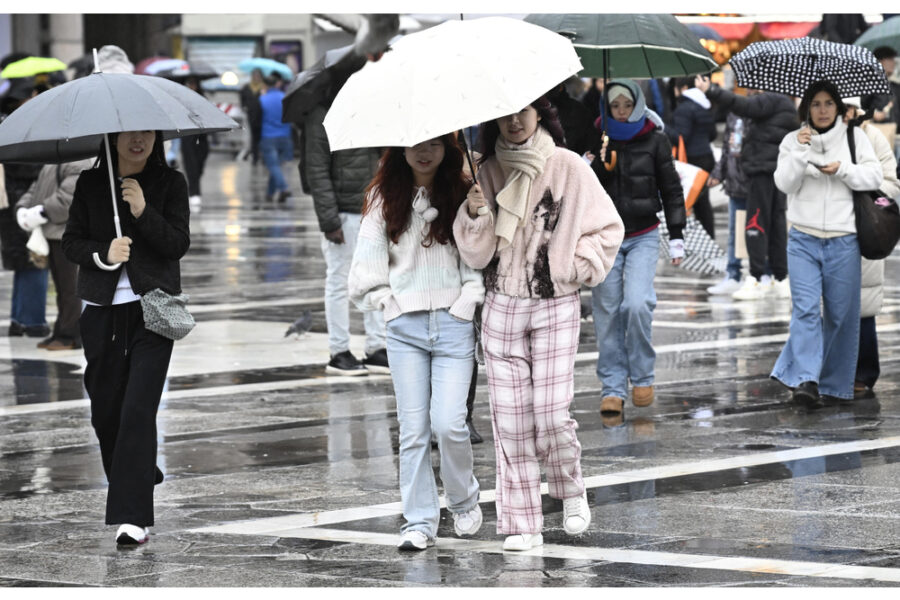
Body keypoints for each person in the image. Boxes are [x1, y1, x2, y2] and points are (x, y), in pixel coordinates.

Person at [454, 96, 624, 551]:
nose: (513, 120)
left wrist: (573, 265)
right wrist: (473, 213)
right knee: (509, 421)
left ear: (539, 115)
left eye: (522, 111)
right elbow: (474, 253)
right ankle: (522, 521)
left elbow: (608, 229)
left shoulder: (568, 166)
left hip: (555, 304)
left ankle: (571, 489)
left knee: (550, 414)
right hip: (501, 306)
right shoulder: (485, 171)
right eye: (505, 113)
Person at [349, 134, 484, 551]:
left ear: (447, 148)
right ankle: (418, 521)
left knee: (450, 423)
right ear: (399, 150)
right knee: (413, 430)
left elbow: (478, 258)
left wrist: (467, 299)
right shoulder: (382, 196)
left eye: (434, 144)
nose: (424, 152)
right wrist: (386, 303)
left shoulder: (464, 190)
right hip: (404, 327)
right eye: (414, 145)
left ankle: (463, 499)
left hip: (453, 323)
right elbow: (367, 261)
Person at [61, 130, 190, 545]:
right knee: (106, 413)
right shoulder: (89, 183)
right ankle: (137, 470)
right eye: (130, 134)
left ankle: (133, 517)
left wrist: (143, 210)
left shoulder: (171, 183)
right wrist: (105, 254)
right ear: (112, 138)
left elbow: (177, 244)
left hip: (153, 311)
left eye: (147, 133)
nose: (139, 140)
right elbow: (71, 243)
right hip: (101, 312)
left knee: (137, 410)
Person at [771, 80, 882, 407]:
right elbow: (784, 183)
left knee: (840, 315)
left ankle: (833, 385)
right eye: (815, 104)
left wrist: (843, 170)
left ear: (838, 107)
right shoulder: (793, 140)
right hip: (803, 239)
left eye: (828, 104)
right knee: (804, 311)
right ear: (806, 107)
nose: (821, 110)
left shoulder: (854, 137)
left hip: (843, 240)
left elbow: (874, 177)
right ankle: (806, 379)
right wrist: (801, 152)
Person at [588, 79, 684, 418]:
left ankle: (643, 376)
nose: (621, 111)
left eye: (626, 105)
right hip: (606, 236)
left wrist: (677, 235)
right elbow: (585, 190)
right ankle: (613, 387)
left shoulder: (656, 138)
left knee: (637, 303)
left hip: (644, 233)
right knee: (608, 311)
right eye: (614, 106)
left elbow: (671, 188)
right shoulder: (598, 136)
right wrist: (597, 163)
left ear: (638, 104)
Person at [304, 85, 387, 376]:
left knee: (377, 279)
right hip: (343, 213)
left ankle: (377, 347)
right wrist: (329, 220)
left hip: (374, 209)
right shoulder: (323, 115)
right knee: (340, 282)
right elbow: (316, 169)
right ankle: (339, 351)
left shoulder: (372, 108)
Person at [695, 76, 799, 300]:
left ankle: (756, 277)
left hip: (762, 171)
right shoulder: (786, 104)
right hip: (777, 172)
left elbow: (742, 105)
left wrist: (711, 90)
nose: (751, 89)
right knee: (777, 224)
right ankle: (779, 278)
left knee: (756, 223)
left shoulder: (769, 100)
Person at [843, 99, 900, 398]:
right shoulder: (812, 136)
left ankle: (863, 372)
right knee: (824, 307)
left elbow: (890, 184)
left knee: (864, 303)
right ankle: (823, 371)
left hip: (864, 228)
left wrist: (865, 193)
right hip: (826, 228)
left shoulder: (873, 137)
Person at [16, 158, 94, 349]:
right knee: (61, 287)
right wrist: (23, 209)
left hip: (65, 234)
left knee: (70, 289)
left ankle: (71, 336)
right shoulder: (53, 163)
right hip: (51, 232)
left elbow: (68, 199)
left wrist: (42, 211)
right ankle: (60, 331)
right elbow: (36, 188)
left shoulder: (79, 162)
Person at [1, 78, 49, 338]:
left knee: (24, 260)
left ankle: (20, 319)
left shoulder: (7, 123)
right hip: (25, 202)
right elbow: (27, 166)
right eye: (31, 93)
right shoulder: (20, 127)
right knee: (35, 258)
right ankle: (31, 321)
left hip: (10, 203)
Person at [706, 111, 752, 295]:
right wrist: (719, 173)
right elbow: (727, 147)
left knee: (760, 231)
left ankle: (765, 274)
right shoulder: (734, 114)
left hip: (756, 181)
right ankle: (733, 274)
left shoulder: (764, 110)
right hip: (735, 182)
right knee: (734, 231)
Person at [666, 76, 717, 239]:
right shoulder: (703, 105)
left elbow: (681, 137)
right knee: (703, 203)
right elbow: (713, 134)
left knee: (690, 203)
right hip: (706, 158)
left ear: (682, 89)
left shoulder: (683, 109)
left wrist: (663, 127)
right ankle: (709, 238)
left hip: (692, 161)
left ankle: (696, 242)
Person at [258, 74, 294, 203]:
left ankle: (284, 188)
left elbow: (257, 119)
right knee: (277, 166)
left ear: (265, 85)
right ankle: (270, 193)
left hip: (268, 136)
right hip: (284, 136)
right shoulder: (284, 97)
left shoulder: (262, 99)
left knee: (273, 166)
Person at [180, 76, 210, 212]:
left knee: (199, 166)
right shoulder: (180, 99)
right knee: (191, 165)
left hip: (202, 137)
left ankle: (195, 187)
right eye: (189, 83)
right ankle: (194, 193)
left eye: (194, 83)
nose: (192, 86)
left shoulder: (203, 99)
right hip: (187, 137)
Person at [239, 68, 264, 165]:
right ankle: (255, 157)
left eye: (258, 76)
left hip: (262, 115)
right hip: (251, 115)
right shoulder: (246, 87)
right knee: (254, 136)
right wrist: (244, 106)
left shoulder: (263, 88)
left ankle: (262, 156)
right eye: (255, 76)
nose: (256, 78)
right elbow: (242, 99)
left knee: (262, 136)